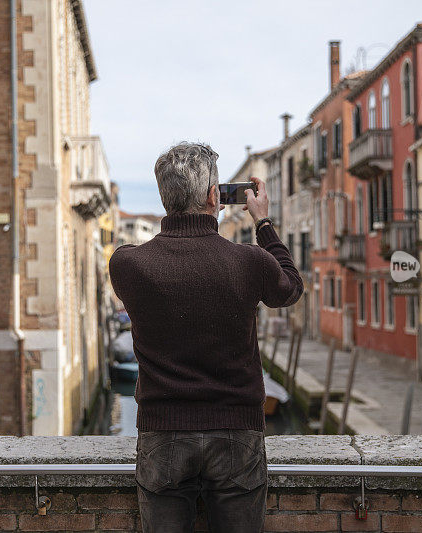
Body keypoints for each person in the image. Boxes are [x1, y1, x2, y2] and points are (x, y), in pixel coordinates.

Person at [109, 142, 303, 532]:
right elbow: (290, 287)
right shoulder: (249, 261)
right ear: (217, 197)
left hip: (162, 435)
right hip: (237, 432)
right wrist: (262, 223)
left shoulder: (128, 263)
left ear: (165, 198)